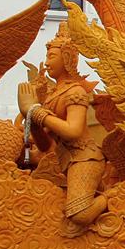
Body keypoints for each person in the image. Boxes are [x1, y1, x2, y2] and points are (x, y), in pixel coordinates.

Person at [17, 22, 107, 227]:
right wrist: (29, 115)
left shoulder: (76, 92)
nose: (46, 62)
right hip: (67, 161)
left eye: (52, 56)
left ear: (67, 59)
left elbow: (73, 131)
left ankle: (113, 198)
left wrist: (36, 112)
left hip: (86, 158)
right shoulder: (52, 96)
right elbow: (46, 146)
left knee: (79, 214)